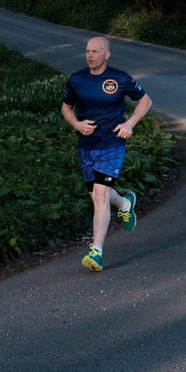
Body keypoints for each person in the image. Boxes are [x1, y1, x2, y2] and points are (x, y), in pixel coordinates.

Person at [60, 35, 153, 272]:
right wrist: (77, 125)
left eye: (95, 52)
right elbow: (66, 108)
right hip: (87, 146)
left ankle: (96, 253)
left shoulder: (120, 78)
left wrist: (130, 123)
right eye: (88, 51)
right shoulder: (76, 79)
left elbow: (145, 101)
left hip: (112, 145)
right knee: (97, 195)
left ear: (106, 55)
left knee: (100, 196)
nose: (90, 56)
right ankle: (124, 203)